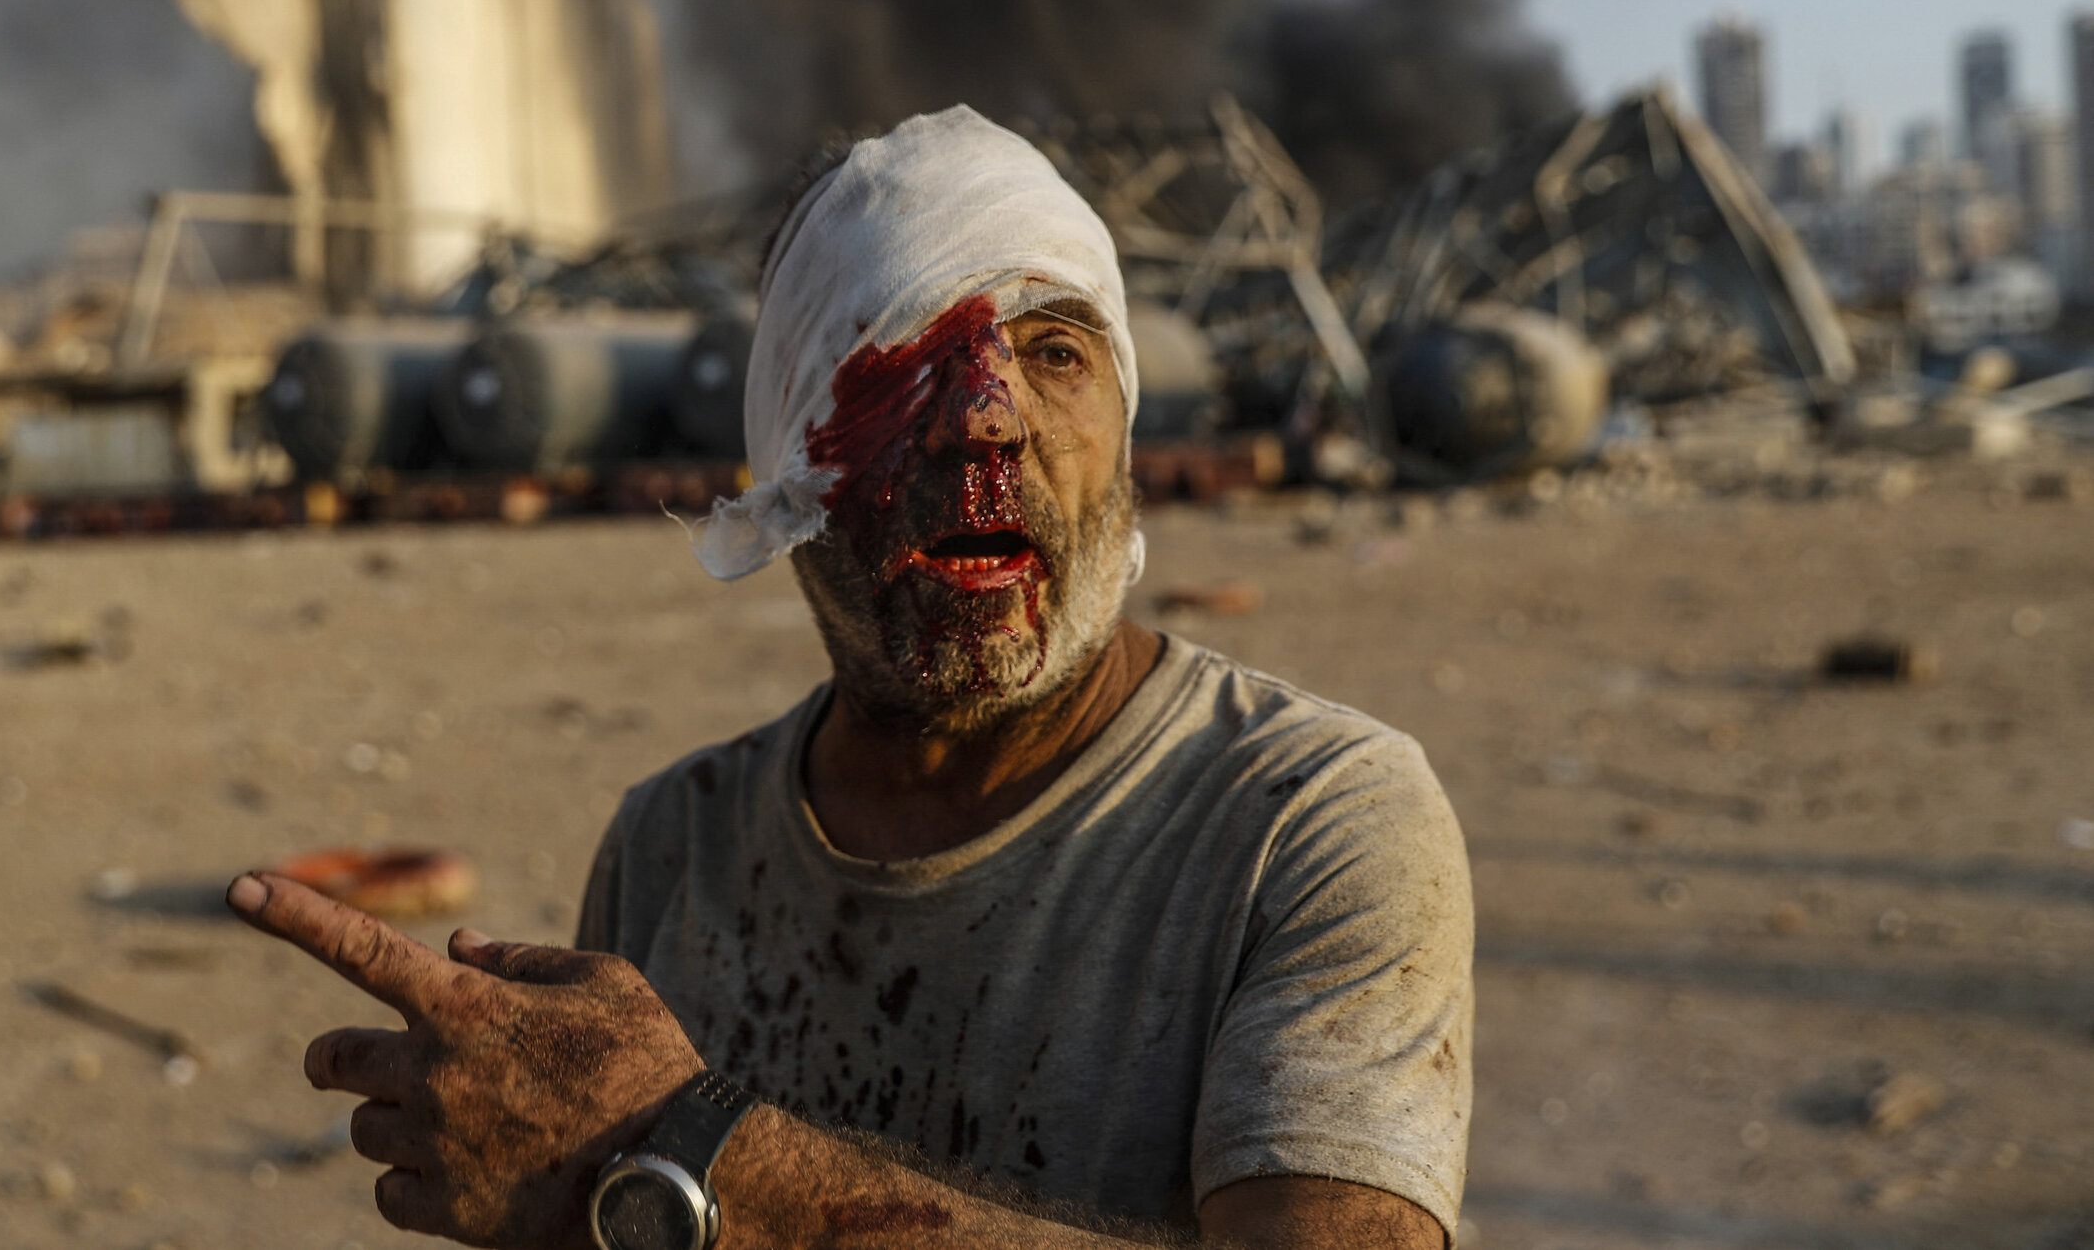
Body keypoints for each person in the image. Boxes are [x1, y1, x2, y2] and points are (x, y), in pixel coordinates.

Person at [230, 107, 1474, 1249]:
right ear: (785, 473)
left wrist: (669, 1151)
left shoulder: (1310, 820)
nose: (988, 417)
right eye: (899, 356)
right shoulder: (677, 843)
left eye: (1055, 353)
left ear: (1126, 428)